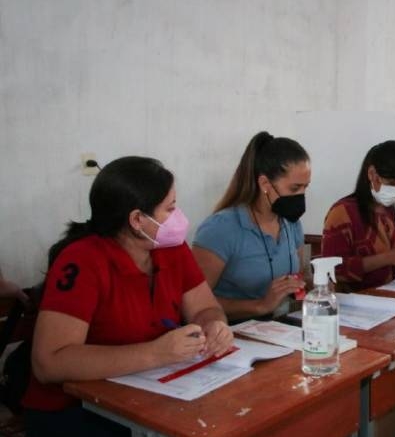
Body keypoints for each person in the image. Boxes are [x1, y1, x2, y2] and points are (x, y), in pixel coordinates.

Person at [23, 156, 232, 436]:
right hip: (77, 410)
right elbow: (48, 363)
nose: (178, 217)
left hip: (152, 393)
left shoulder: (171, 249)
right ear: (137, 219)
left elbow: (205, 307)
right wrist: (155, 353)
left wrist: (214, 325)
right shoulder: (82, 261)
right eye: (169, 209)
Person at [193, 132, 309, 322]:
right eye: (294, 189)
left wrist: (314, 286)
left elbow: (298, 278)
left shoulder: (291, 223)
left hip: (276, 329)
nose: (301, 196)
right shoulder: (220, 229)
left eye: (306, 187)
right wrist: (260, 305)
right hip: (230, 335)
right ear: (265, 183)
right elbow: (193, 303)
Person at [321, 141, 395, 292]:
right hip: (355, 303)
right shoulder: (342, 212)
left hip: (389, 297)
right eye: (392, 183)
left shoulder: (387, 210)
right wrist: (388, 257)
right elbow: (333, 269)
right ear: (372, 174)